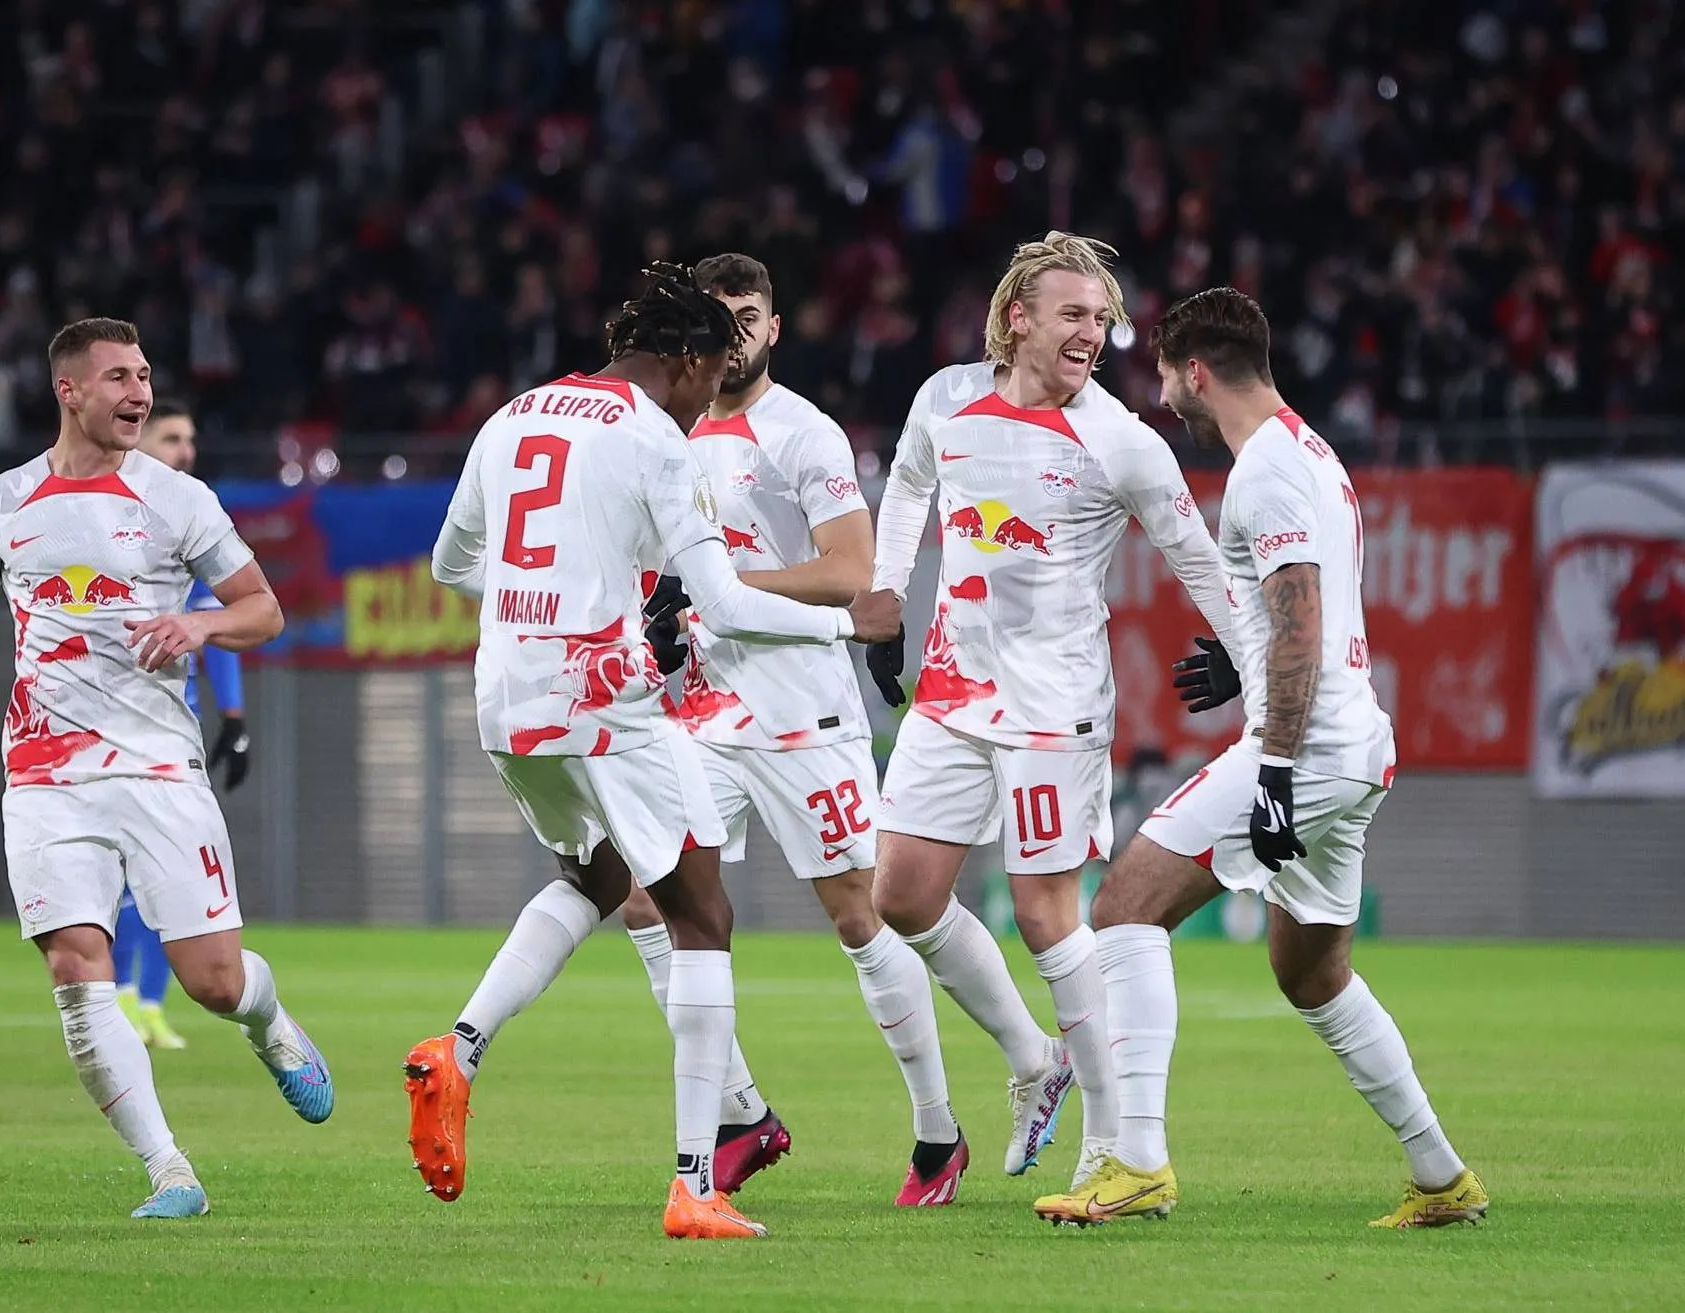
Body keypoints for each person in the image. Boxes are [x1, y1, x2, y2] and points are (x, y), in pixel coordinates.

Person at [405, 264, 901, 1240]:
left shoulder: (509, 416)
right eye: (704, 373)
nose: (701, 397)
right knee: (699, 910)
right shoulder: (651, 436)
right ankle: (692, 1182)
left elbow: (448, 563)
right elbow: (718, 603)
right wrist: (850, 627)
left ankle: (459, 1044)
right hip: (604, 696)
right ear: (680, 357)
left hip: (505, 696)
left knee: (595, 878)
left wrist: (544, 600)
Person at [1035, 287, 1487, 1229]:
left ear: (1196, 370)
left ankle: (1137, 1162)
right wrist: (1245, 659)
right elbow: (1292, 619)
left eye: (1165, 376)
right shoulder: (1309, 451)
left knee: (1122, 906)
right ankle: (1441, 1176)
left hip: (1309, 748)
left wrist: (1274, 765)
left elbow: (1302, 619)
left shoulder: (1266, 471)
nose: (1165, 398)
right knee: (1310, 972)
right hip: (1355, 740)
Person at [0, 317, 332, 1221]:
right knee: (76, 962)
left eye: (144, 376)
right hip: (45, 775)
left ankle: (270, 1022)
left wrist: (202, 623)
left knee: (211, 982)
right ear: (70, 390)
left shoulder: (179, 500)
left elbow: (264, 610)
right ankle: (170, 1170)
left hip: (158, 768)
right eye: (119, 378)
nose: (139, 392)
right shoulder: (1, 503)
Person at [863, 233, 1239, 1197]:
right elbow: (907, 487)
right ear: (1017, 316)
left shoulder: (1118, 440)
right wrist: (887, 596)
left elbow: (1198, 553)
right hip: (951, 690)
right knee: (899, 893)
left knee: (1045, 916)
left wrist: (1244, 649)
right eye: (1074, 314)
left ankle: (1114, 1143)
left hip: (1052, 708)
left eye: (1103, 320)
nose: (1093, 335)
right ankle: (1038, 1060)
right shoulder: (945, 399)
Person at [617, 252, 964, 1206]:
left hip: (801, 707)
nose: (732, 333)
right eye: (716, 316)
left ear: (773, 328)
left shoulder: (801, 434)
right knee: (651, 898)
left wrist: (719, 591)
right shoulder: (666, 433)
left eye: (747, 315)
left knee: (860, 915)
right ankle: (739, 1113)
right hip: (699, 710)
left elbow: (853, 572)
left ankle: (938, 1131)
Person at [108, 400, 256, 1051]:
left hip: (174, 730)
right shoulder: (107, 516)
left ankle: (143, 1002)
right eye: (173, 436)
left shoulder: (193, 514)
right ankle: (119, 998)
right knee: (122, 873)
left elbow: (219, 619)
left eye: (191, 437)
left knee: (163, 873)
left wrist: (233, 717)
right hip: (108, 728)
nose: (186, 449)